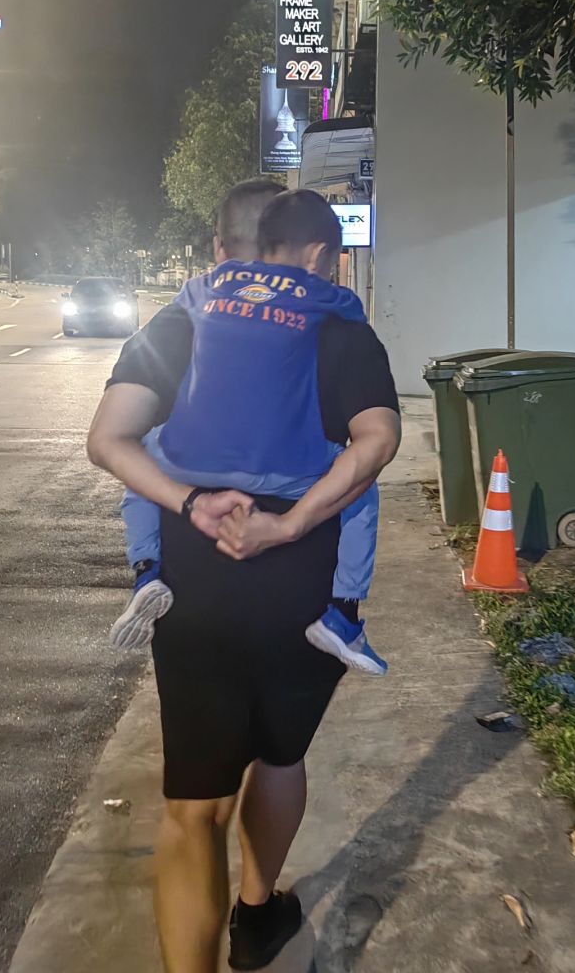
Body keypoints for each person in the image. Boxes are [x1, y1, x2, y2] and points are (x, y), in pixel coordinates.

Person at [86, 186, 400, 973]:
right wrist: (291, 523)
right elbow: (377, 441)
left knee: (191, 809)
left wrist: (191, 506)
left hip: (197, 579)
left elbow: (108, 440)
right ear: (311, 253)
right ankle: (258, 914)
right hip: (296, 580)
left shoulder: (181, 318)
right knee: (280, 754)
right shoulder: (336, 325)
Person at [109, 192, 386, 676]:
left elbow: (106, 439)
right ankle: (344, 612)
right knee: (362, 488)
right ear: (319, 255)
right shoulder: (321, 294)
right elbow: (353, 314)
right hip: (286, 477)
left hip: (185, 466)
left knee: (138, 459)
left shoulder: (206, 287)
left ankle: (145, 571)